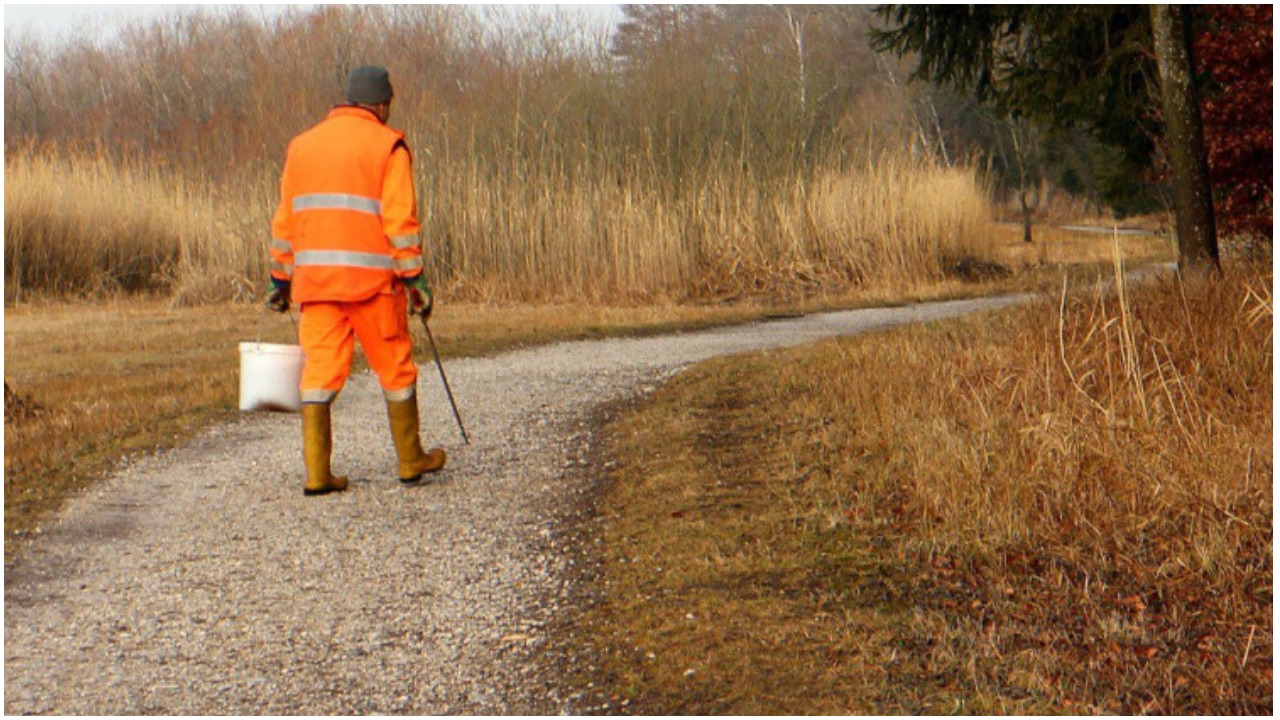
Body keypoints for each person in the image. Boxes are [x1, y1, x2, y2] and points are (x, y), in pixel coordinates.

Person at [265, 65, 446, 496]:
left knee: (319, 372)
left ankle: (317, 474)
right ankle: (409, 461)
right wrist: (415, 279)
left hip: (316, 284)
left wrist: (279, 278)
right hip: (373, 285)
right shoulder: (389, 146)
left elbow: (286, 220)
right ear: (381, 104)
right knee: (395, 368)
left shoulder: (302, 146)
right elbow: (400, 221)